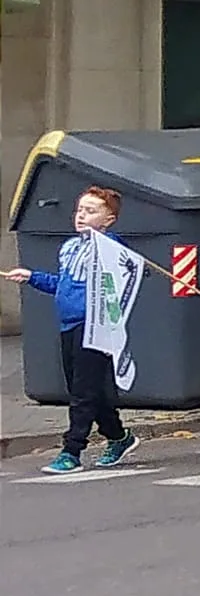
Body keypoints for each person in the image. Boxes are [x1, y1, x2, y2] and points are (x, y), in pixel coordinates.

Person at [5, 186, 143, 474]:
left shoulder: (111, 251)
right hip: (69, 324)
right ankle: (119, 437)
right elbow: (63, 285)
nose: (81, 216)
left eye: (91, 211)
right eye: (80, 210)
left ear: (109, 220)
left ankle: (72, 450)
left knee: (83, 391)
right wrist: (32, 277)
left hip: (95, 328)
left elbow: (123, 279)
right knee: (87, 390)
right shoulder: (70, 247)